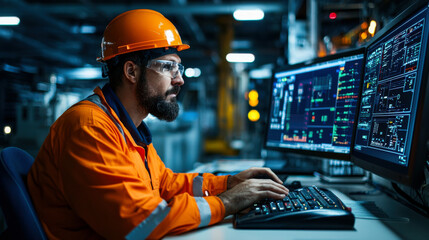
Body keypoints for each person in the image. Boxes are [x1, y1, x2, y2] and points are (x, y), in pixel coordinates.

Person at [27, 9, 289, 239]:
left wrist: (227, 184)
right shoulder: (89, 127)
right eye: (168, 67)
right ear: (131, 71)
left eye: (179, 69)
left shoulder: (128, 128)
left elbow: (164, 184)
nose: (179, 80)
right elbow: (137, 223)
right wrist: (227, 203)